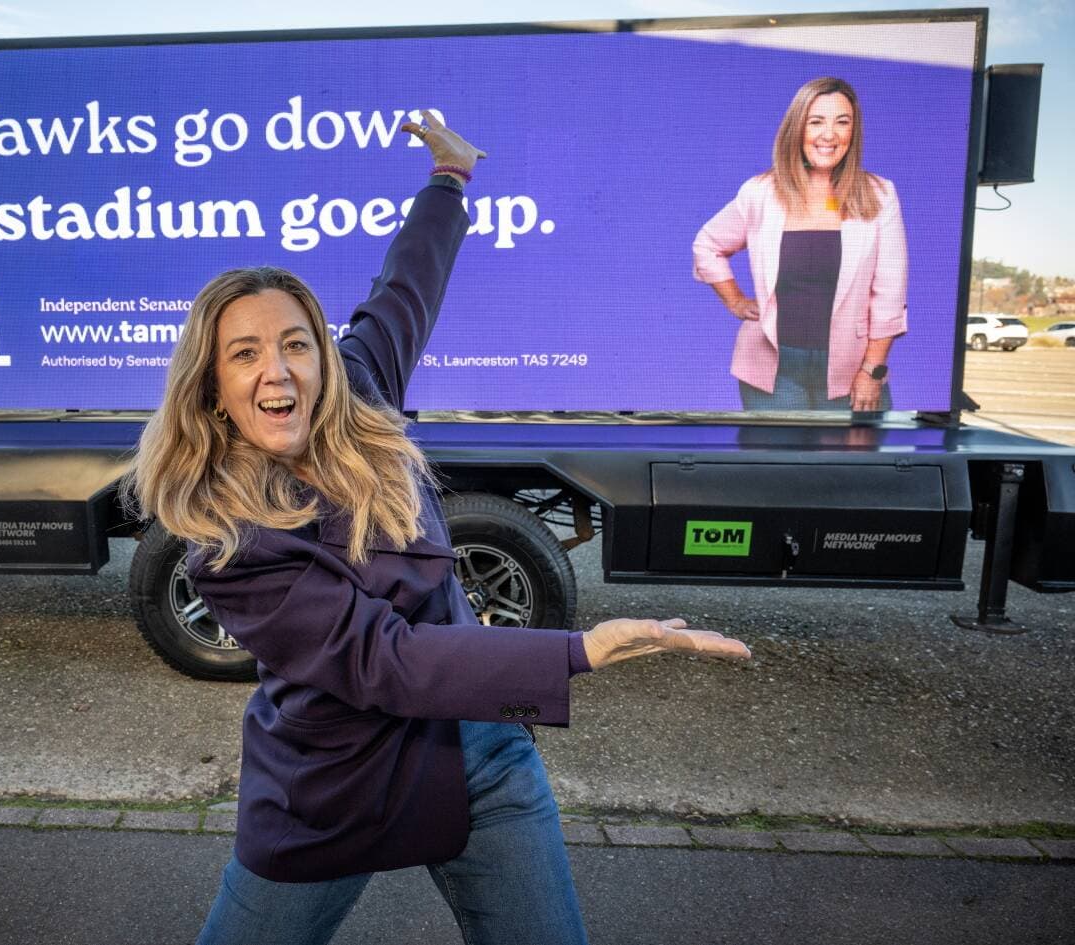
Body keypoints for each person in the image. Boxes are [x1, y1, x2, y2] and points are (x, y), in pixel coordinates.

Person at [129, 112, 752, 945]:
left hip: (478, 754)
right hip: (332, 782)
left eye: (294, 343)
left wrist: (450, 179)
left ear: (322, 351)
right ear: (210, 388)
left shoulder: (359, 386)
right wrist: (583, 649)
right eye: (244, 354)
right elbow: (388, 658)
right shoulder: (228, 544)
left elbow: (405, 287)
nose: (277, 370)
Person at [693, 76, 908, 412]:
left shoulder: (880, 194)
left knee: (853, 465)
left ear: (854, 132)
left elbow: (890, 297)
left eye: (842, 122)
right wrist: (735, 301)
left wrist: (872, 371)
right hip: (771, 371)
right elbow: (707, 245)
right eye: (816, 121)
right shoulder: (760, 191)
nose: (829, 134)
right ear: (797, 128)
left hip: (853, 370)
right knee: (777, 465)